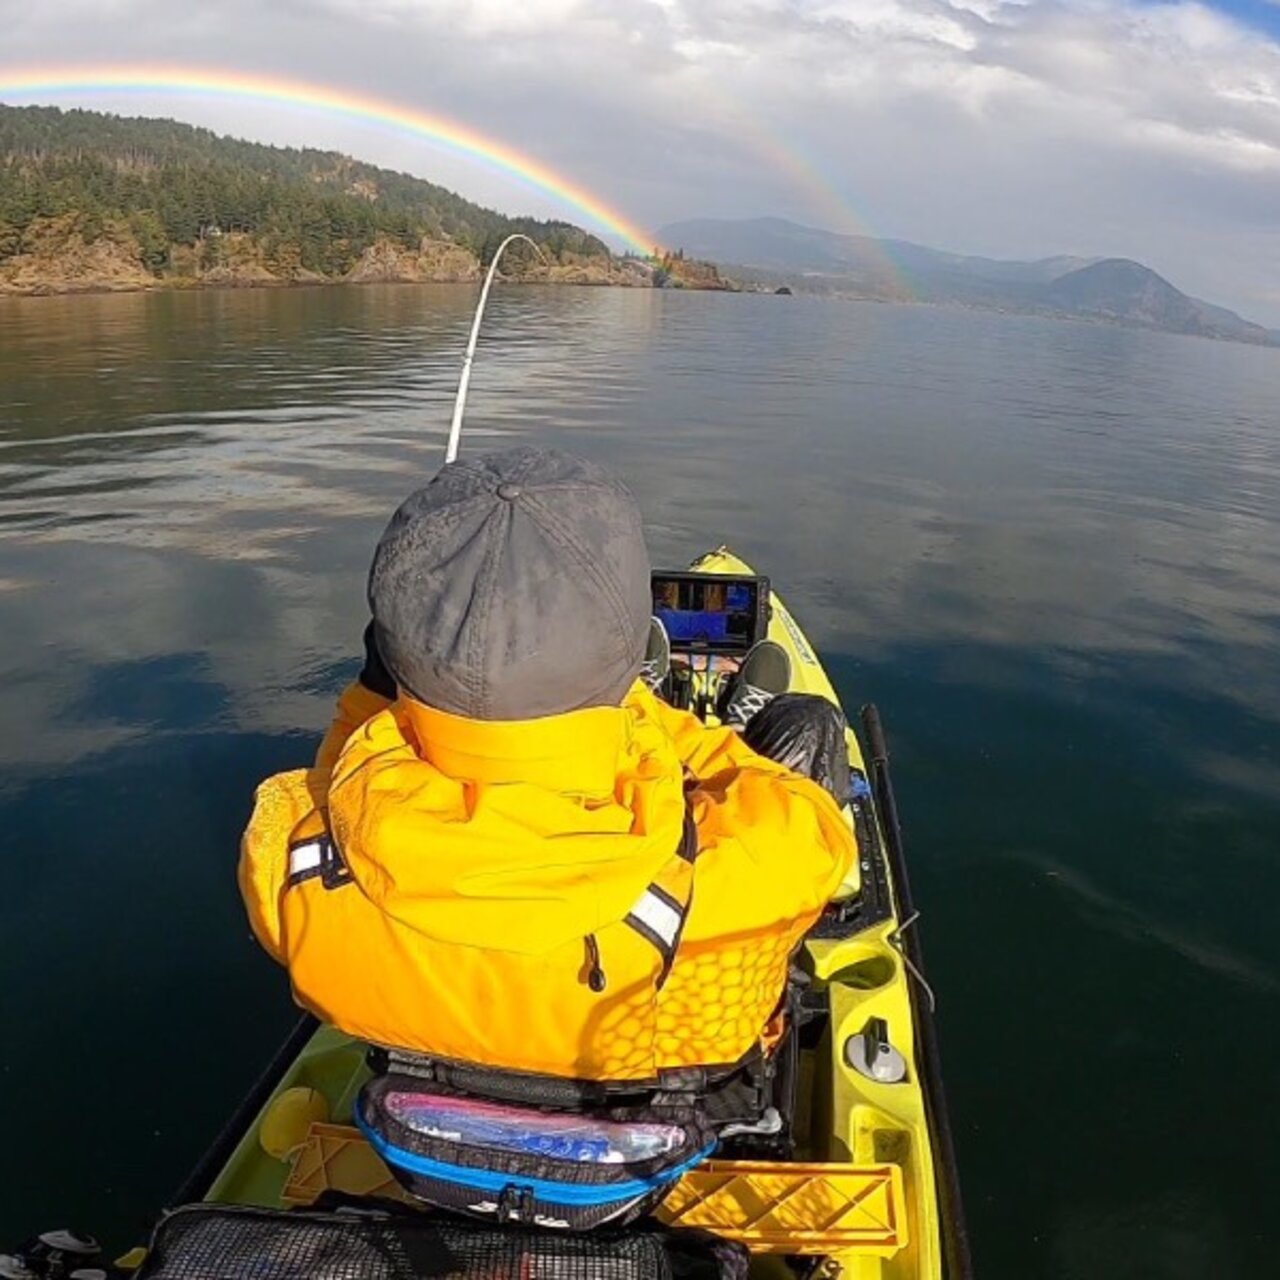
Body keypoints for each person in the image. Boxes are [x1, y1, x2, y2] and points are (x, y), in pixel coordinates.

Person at [239, 446, 855, 1084]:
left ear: (396, 656)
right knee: (806, 725)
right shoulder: (764, 860)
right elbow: (798, 810)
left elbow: (339, 775)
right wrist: (641, 714)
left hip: (434, 1114)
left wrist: (378, 691)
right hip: (659, 1098)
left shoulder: (289, 859)